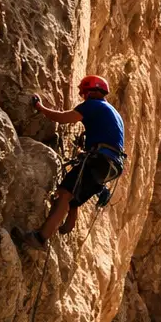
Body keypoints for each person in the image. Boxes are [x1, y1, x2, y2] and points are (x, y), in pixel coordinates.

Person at [22, 75, 127, 246]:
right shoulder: (112, 112)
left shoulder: (93, 105)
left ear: (92, 91)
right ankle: (67, 226)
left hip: (100, 159)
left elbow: (63, 118)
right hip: (112, 166)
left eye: (84, 92)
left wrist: (39, 107)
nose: (82, 95)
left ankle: (40, 238)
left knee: (64, 193)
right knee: (74, 198)